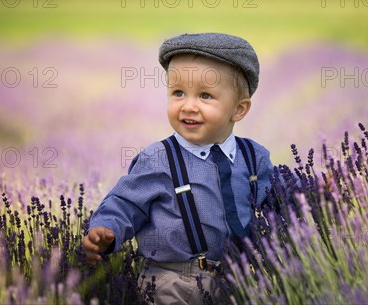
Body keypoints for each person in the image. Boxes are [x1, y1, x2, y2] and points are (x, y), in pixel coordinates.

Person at [83, 32, 273, 304]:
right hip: (170, 280)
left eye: (205, 96)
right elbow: (126, 203)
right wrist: (106, 229)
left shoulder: (255, 157)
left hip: (239, 278)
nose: (188, 106)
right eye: (178, 93)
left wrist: (320, 193)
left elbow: (281, 200)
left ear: (239, 110)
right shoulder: (158, 158)